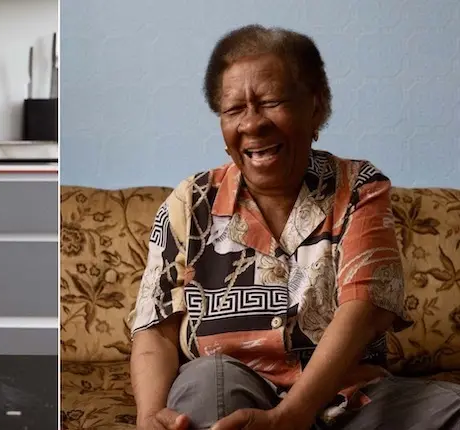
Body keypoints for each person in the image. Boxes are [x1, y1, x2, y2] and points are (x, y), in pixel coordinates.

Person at [128, 24, 460, 430]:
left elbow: (364, 309)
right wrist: (147, 417)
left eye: (271, 102)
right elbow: (156, 327)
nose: (252, 124)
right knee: (209, 382)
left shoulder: (358, 188)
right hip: (226, 390)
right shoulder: (190, 201)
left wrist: (291, 415)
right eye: (234, 110)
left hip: (345, 395)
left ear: (316, 107)